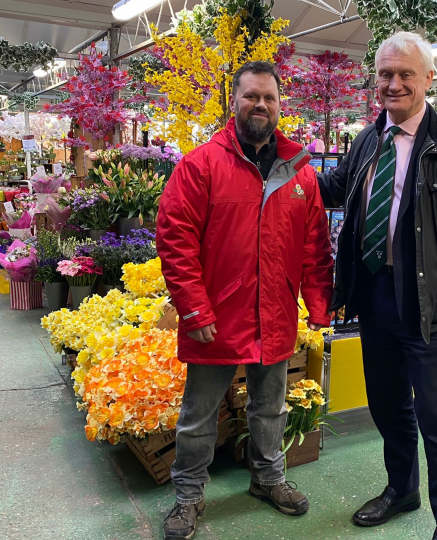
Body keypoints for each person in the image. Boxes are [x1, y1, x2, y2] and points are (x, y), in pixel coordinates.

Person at [317, 32, 437, 540]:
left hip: (428, 304)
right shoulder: (368, 137)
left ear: (427, 79)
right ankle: (402, 489)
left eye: (404, 74)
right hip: (375, 296)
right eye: (385, 74)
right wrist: (281, 162)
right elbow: (335, 188)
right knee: (387, 403)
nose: (393, 84)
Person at [156, 61, 334, 540]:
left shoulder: (300, 176)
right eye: (251, 96)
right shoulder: (201, 166)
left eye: (269, 98)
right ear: (233, 103)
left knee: (269, 406)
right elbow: (175, 240)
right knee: (199, 416)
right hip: (215, 318)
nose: (261, 104)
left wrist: (318, 307)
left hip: (274, 315)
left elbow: (316, 246)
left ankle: (268, 478)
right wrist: (194, 309)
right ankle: (188, 497)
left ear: (280, 106)